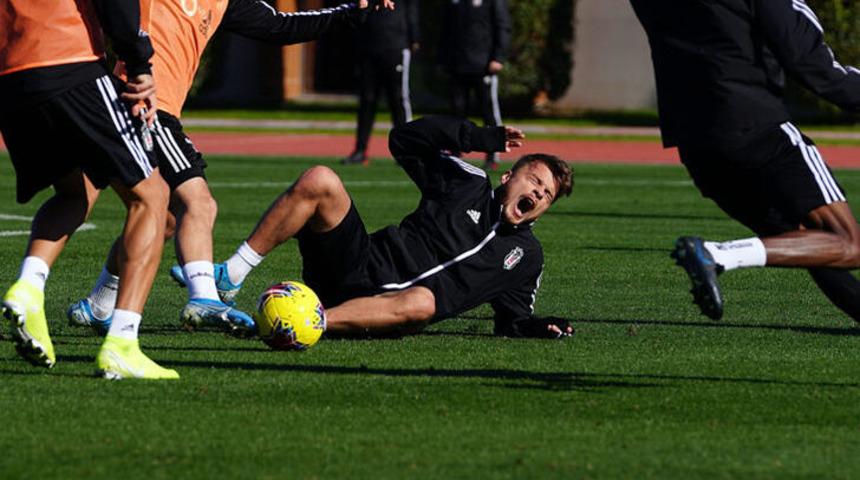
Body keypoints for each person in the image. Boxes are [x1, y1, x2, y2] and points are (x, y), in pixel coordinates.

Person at [67, 0, 394, 337]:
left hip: (152, 109)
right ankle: (205, 297)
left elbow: (279, 27)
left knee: (162, 218)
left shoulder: (226, 2)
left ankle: (100, 303)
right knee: (199, 202)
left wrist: (349, 13)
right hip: (145, 106)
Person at [178, 116, 574, 338]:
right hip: (357, 262)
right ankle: (232, 274)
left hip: (389, 312)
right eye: (534, 181)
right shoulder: (467, 184)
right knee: (321, 179)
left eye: (547, 195)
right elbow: (404, 138)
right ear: (507, 178)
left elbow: (512, 320)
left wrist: (538, 326)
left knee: (423, 302)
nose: (538, 195)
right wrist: (474, 136)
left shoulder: (527, 258)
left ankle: (310, 322)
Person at [630, 0, 860, 320]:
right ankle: (717, 254)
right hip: (758, 129)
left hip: (695, 145)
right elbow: (813, 66)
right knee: (848, 242)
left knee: (808, 242)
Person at [0, 0, 176, 378]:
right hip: (68, 60)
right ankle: (123, 343)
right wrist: (139, 64)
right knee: (152, 196)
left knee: (75, 192)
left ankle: (29, 287)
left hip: (11, 77)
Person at [342, 0, 420, 166]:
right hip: (369, 48)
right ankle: (360, 150)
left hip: (396, 46)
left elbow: (412, 11)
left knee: (398, 100)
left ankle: (407, 151)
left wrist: (414, 38)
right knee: (367, 100)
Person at [439, 0, 511, 170]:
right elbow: (446, 29)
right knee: (457, 110)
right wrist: (443, 59)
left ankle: (493, 153)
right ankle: (455, 151)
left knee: (488, 111)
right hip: (458, 64)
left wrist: (498, 57)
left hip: (483, 65)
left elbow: (503, 27)